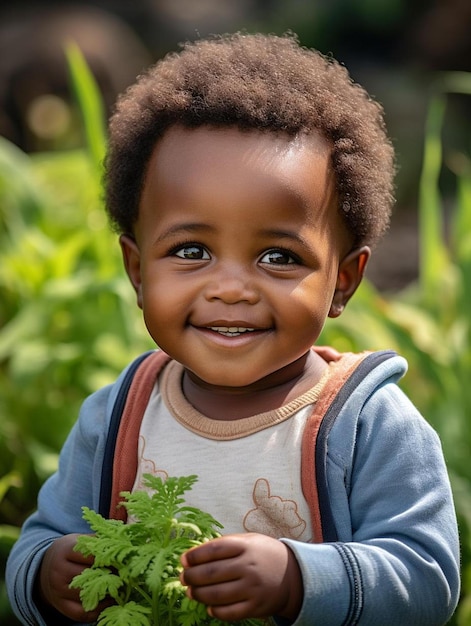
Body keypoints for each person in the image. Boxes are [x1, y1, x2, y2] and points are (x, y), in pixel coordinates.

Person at [7, 32, 460, 625]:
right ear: (137, 270)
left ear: (343, 282)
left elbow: (428, 580)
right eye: (191, 249)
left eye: (278, 258)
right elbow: (38, 543)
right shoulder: (118, 416)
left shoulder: (365, 424)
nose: (231, 288)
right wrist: (47, 575)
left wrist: (299, 579)